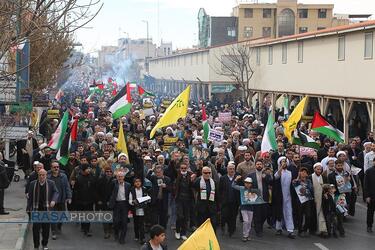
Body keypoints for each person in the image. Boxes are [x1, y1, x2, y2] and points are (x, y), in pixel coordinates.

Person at [27, 169, 59, 250]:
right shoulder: (32, 184)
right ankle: (36, 246)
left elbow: (56, 192)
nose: (41, 176)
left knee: (46, 229)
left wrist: (53, 200)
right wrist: (28, 208)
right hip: (36, 209)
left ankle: (44, 244)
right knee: (35, 229)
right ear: (38, 175)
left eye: (43, 175)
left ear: (46, 175)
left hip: (46, 210)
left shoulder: (51, 183)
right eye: (40, 175)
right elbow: (30, 198)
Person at [47, 161, 72, 239]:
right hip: (52, 201)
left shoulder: (63, 176)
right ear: (51, 168)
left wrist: (69, 197)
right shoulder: (48, 177)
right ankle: (53, 232)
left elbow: (67, 187)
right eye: (54, 167)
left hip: (61, 199)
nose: (56, 168)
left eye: (57, 167)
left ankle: (59, 226)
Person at [248, 159, 273, 237]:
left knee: (265, 214)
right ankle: (258, 230)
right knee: (257, 215)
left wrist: (266, 177)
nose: (259, 165)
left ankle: (260, 225)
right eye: (257, 164)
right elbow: (247, 186)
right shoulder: (251, 175)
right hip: (255, 198)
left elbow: (271, 182)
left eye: (260, 164)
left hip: (264, 198)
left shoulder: (266, 174)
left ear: (262, 166)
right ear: (255, 166)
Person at [273, 156, 296, 239]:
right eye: (282, 162)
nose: (284, 163)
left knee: (289, 212)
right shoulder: (278, 171)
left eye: (285, 162)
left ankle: (290, 230)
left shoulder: (290, 172)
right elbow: (275, 177)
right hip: (279, 195)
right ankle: (278, 228)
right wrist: (280, 168)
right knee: (279, 212)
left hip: (288, 196)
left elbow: (293, 182)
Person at [232, 176, 260, 242]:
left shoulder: (254, 190)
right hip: (243, 207)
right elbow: (233, 185)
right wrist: (236, 179)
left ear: (251, 184)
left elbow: (257, 199)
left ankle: (247, 235)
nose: (247, 184)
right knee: (246, 221)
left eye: (249, 183)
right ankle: (245, 235)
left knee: (249, 222)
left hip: (251, 208)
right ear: (244, 183)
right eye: (246, 183)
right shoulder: (242, 188)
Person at [73, 164, 96, 237]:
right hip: (81, 200)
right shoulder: (78, 178)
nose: (89, 170)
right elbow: (75, 189)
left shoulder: (92, 177)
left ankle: (87, 229)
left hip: (89, 200)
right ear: (83, 170)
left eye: (89, 168)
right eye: (87, 168)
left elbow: (94, 188)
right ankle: (83, 226)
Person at [108, 170, 131, 244]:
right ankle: (116, 233)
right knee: (116, 221)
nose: (120, 178)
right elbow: (109, 192)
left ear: (124, 177)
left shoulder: (128, 185)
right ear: (116, 177)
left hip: (124, 204)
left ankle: (122, 238)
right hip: (116, 204)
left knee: (124, 222)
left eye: (121, 176)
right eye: (118, 176)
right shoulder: (113, 183)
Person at [219, 162, 239, 237]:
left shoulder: (238, 178)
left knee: (233, 217)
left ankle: (231, 231)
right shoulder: (223, 178)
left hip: (234, 202)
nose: (232, 170)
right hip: (225, 202)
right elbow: (220, 190)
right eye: (230, 169)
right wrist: (221, 200)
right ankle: (223, 225)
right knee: (224, 215)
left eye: (233, 169)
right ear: (227, 169)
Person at [174, 162, 194, 240]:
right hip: (179, 198)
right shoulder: (177, 174)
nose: (183, 169)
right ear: (180, 168)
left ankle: (183, 233)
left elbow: (193, 186)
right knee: (180, 216)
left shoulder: (190, 174)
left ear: (187, 168)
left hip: (188, 199)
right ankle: (178, 231)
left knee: (186, 217)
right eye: (182, 168)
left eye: (185, 168)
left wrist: (192, 180)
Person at [194, 166, 217, 231]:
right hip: (201, 208)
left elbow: (217, 195)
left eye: (209, 173)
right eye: (205, 173)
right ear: (202, 173)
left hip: (211, 207)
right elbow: (193, 189)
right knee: (201, 225)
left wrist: (218, 207)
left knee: (213, 225)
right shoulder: (198, 181)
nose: (207, 174)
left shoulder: (214, 182)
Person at [293, 167, 314, 237]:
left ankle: (305, 229)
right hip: (299, 200)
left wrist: (306, 184)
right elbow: (294, 183)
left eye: (305, 172)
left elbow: (311, 188)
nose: (303, 173)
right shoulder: (297, 180)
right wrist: (298, 178)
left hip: (307, 200)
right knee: (300, 216)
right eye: (302, 172)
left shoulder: (308, 181)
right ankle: (300, 230)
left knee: (308, 215)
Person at [129, 177, 150, 244]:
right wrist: (133, 202)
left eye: (139, 181)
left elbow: (147, 197)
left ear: (141, 182)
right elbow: (130, 200)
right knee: (136, 223)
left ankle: (142, 238)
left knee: (141, 223)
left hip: (142, 208)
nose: (138, 183)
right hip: (135, 208)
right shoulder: (132, 190)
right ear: (134, 183)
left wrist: (146, 201)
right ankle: (137, 235)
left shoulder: (144, 189)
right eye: (136, 181)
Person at [309, 162, 327, 237]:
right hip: (313, 198)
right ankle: (313, 229)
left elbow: (326, 188)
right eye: (318, 169)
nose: (319, 171)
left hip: (322, 199)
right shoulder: (310, 177)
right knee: (313, 214)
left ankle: (322, 229)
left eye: (320, 169)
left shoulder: (324, 177)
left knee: (321, 213)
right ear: (314, 169)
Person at [96, 166, 114, 239]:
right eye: (107, 172)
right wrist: (99, 200)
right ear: (105, 172)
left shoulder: (114, 180)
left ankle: (110, 228)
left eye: (110, 172)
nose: (109, 173)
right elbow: (97, 191)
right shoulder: (100, 180)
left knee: (111, 216)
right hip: (103, 201)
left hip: (111, 201)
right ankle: (106, 231)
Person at [364, 158, 375, 233]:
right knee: (370, 212)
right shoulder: (369, 171)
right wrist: (367, 196)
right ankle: (369, 226)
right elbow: (365, 185)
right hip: (371, 196)